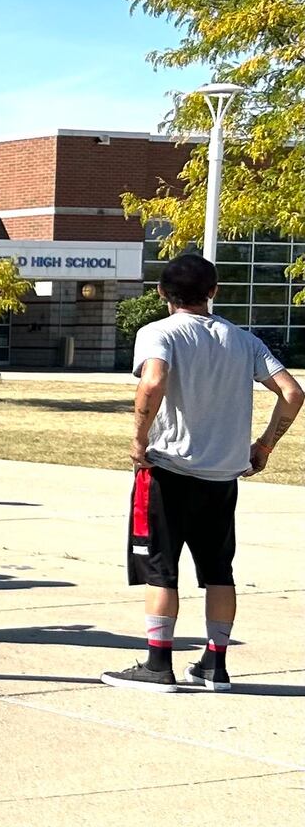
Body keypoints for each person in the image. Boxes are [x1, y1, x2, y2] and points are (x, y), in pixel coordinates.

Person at [102, 255, 302, 692]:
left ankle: (158, 665)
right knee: (219, 571)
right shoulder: (243, 340)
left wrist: (138, 439)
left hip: (169, 469)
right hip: (222, 475)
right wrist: (264, 444)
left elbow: (152, 382)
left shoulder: (158, 333)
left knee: (162, 569)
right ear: (214, 291)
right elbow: (292, 391)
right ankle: (215, 663)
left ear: (161, 293)